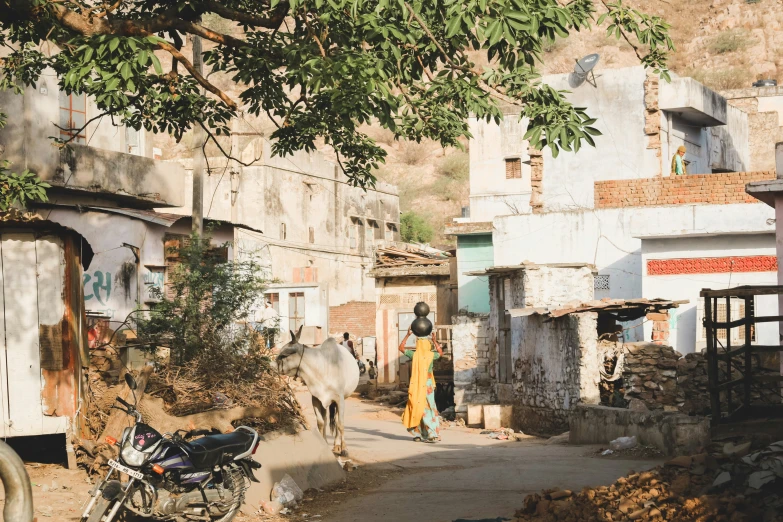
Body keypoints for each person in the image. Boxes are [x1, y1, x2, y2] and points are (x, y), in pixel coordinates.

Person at [399, 328, 444, 443]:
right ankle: (432, 434)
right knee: (429, 408)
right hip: (428, 384)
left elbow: (401, 348)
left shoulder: (414, 355)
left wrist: (407, 335)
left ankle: (418, 434)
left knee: (415, 406)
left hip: (417, 385)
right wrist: (434, 341)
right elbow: (440, 353)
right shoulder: (431, 355)